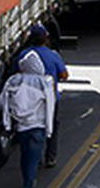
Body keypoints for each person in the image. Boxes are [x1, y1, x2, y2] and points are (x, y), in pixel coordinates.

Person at [0, 51, 55, 188]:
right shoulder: (45, 82)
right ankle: (29, 184)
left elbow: (2, 102)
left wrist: (7, 123)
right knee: (33, 159)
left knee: (25, 157)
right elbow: (50, 107)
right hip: (38, 127)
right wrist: (49, 130)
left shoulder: (14, 81)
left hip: (22, 127)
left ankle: (28, 181)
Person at [17, 23, 69, 167]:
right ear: (46, 38)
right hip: (50, 98)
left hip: (32, 99)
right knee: (51, 126)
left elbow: (19, 72)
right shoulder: (52, 55)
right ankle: (50, 157)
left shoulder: (25, 55)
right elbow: (64, 75)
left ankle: (36, 157)